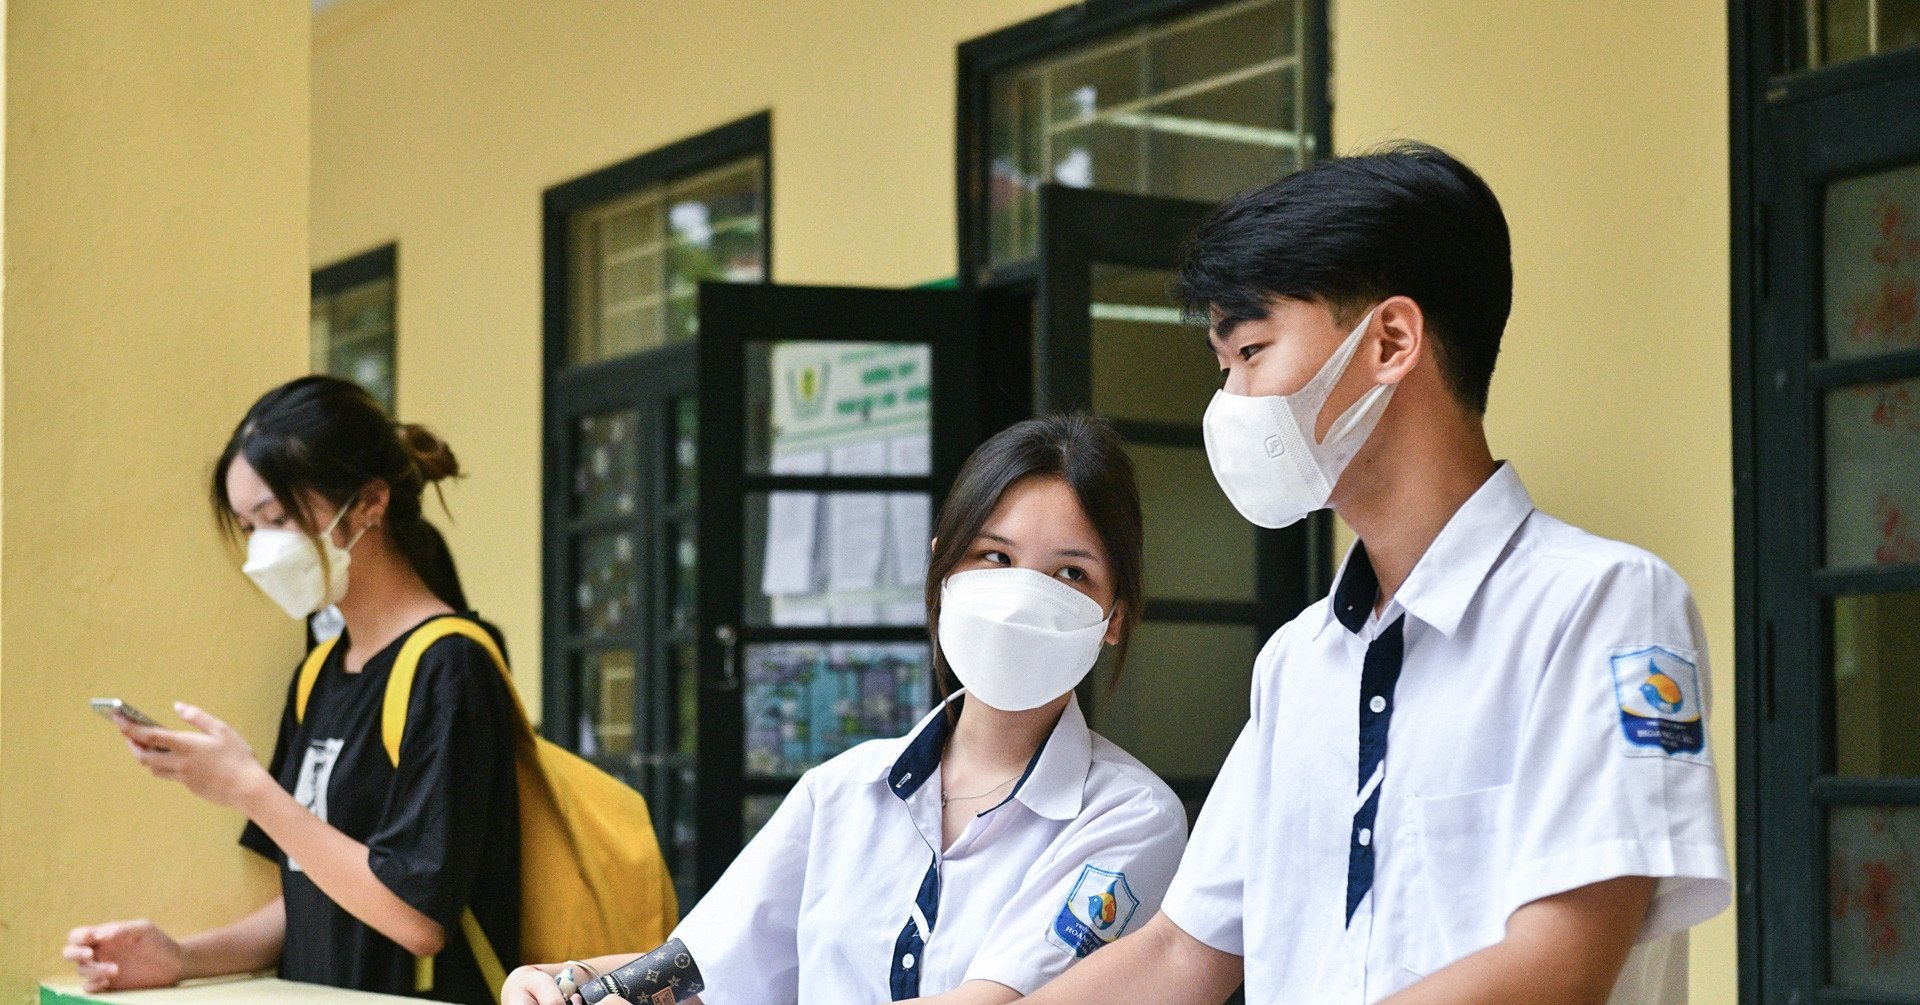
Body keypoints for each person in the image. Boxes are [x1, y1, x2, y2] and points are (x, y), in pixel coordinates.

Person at [1018, 143, 1731, 1003]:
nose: (1231, 401)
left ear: (1391, 340)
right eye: (1223, 368)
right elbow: (1181, 952)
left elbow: (1558, 965)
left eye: (1249, 351)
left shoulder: (1598, 607)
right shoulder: (1299, 663)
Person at [502, 414, 1188, 1005]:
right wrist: (566, 983)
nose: (1021, 597)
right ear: (942, 567)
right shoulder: (844, 791)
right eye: (995, 556)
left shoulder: (1130, 817)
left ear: (1117, 615)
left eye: (1070, 573)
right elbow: (694, 970)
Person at [65, 375, 520, 1005]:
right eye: (249, 527)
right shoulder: (318, 675)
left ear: (369, 503)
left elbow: (416, 920)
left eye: (277, 518)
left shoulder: (450, 669)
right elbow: (317, 893)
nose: (263, 550)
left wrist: (249, 787)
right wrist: (182, 958)